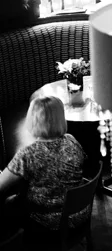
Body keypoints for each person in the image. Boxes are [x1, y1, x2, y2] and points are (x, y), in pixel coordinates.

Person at [0, 97, 86, 232]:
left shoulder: (28, 153)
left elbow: (1, 185)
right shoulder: (72, 140)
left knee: (8, 204)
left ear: (32, 119)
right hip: (79, 214)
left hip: (48, 223)